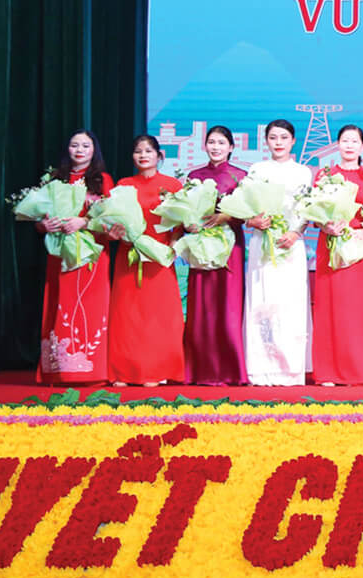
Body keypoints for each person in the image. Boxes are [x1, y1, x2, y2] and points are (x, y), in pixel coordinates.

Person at [36, 130, 115, 384]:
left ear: (94, 151)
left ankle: (92, 370)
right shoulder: (54, 179)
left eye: (85, 146)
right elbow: (39, 218)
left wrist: (84, 222)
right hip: (60, 253)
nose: (79, 150)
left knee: (89, 307)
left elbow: (112, 219)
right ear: (67, 149)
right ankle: (58, 370)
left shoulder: (102, 180)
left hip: (92, 254)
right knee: (60, 304)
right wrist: (44, 225)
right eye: (74, 145)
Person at [109, 134, 186, 386]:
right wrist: (120, 234)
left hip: (159, 255)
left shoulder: (172, 185)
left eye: (148, 151)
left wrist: (173, 246)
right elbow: (115, 218)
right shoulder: (123, 185)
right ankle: (124, 370)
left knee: (158, 315)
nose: (143, 155)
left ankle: (156, 370)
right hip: (130, 255)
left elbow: (180, 224)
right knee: (127, 314)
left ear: (159, 155)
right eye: (138, 151)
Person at [308, 125, 363, 386]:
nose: (349, 145)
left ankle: (358, 370)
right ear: (337, 145)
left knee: (355, 309)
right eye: (345, 141)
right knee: (330, 307)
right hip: (330, 245)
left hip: (357, 248)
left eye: (354, 141)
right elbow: (314, 212)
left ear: (362, 146)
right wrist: (325, 225)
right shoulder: (325, 176)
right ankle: (328, 371)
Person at [243, 119, 314, 386]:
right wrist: (253, 221)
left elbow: (307, 210)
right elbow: (245, 208)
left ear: (293, 141)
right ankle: (261, 369)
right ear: (266, 141)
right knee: (262, 301)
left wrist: (295, 233)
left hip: (291, 244)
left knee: (290, 303)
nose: (278, 142)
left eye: (284, 137)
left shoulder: (303, 172)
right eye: (273, 137)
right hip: (263, 242)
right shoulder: (257, 170)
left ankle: (291, 369)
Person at [184, 125, 249, 385]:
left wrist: (228, 216)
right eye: (211, 142)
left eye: (221, 143)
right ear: (204, 145)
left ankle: (232, 371)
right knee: (202, 306)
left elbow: (248, 214)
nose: (216, 147)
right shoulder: (194, 176)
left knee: (228, 307)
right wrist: (188, 222)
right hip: (201, 245)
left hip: (230, 247)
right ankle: (200, 371)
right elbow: (184, 211)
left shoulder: (241, 176)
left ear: (231, 147)